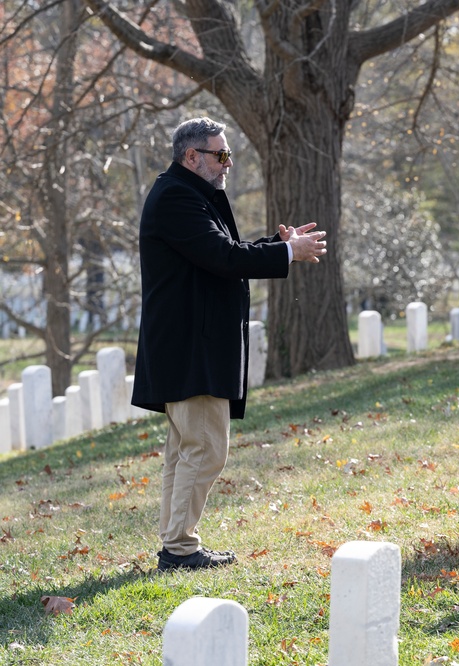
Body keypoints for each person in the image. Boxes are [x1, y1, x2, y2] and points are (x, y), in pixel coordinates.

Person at [132, 117, 328, 570]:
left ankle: (175, 544)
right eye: (220, 155)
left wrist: (277, 246)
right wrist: (285, 253)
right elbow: (223, 258)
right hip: (190, 348)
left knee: (188, 451)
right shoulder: (178, 197)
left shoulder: (189, 194)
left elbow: (219, 251)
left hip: (189, 345)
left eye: (229, 154)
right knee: (205, 449)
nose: (227, 164)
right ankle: (179, 549)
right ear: (192, 156)